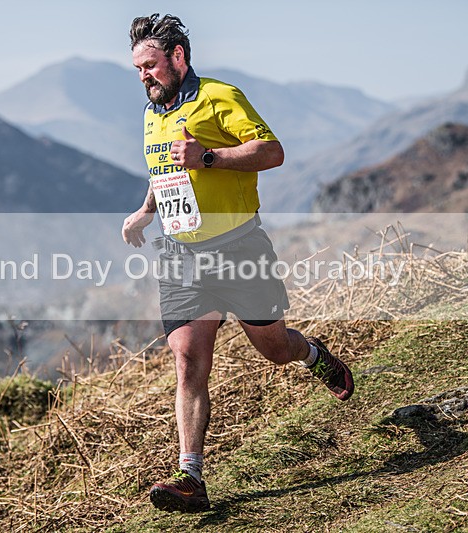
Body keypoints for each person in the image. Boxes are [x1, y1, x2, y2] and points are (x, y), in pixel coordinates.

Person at [121, 13, 354, 514]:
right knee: (187, 360)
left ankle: (315, 356)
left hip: (239, 251)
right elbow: (164, 170)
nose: (144, 76)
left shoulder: (219, 97)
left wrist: (209, 159)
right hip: (181, 258)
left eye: (151, 65)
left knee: (274, 349)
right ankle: (191, 477)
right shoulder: (151, 113)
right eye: (138, 69)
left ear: (178, 57)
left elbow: (272, 152)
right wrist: (145, 211)